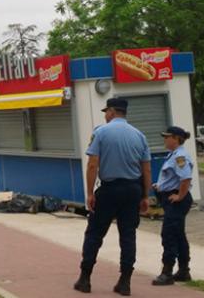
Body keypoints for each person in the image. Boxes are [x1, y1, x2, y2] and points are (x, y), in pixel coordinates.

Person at [74, 98, 151, 296]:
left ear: (111, 111)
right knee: (128, 236)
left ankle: (85, 278)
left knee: (94, 234)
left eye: (106, 111)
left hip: (109, 190)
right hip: (132, 191)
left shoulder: (101, 132)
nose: (105, 115)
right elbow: (146, 168)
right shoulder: (139, 136)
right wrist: (145, 195)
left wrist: (90, 193)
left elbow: (92, 165)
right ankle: (125, 282)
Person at [152, 126, 195, 286]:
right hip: (171, 199)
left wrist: (180, 196)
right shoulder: (174, 155)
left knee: (169, 235)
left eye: (167, 137)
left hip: (177, 201)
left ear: (176, 138)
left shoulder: (180, 156)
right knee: (178, 235)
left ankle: (167, 272)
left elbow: (185, 178)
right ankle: (184, 270)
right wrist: (160, 186)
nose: (165, 139)